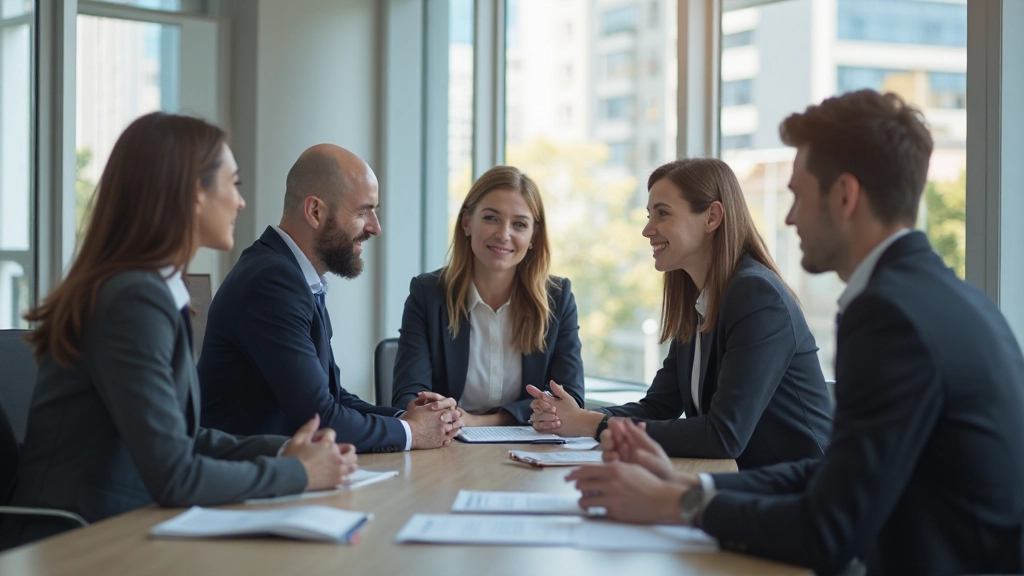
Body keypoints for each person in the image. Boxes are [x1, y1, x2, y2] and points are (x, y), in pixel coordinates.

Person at [567, 90, 1024, 575]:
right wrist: (688, 489)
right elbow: (831, 475)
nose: (788, 217)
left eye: (799, 195)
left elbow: (827, 529)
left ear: (845, 195)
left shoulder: (890, 316)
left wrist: (674, 506)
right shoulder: (942, 297)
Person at [0, 113, 357, 549]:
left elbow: (183, 438)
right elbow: (175, 475)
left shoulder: (151, 290)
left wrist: (285, 451)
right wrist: (299, 473)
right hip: (76, 541)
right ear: (193, 194)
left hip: (124, 528)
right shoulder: (132, 298)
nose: (241, 203)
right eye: (234, 183)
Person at [529, 158, 832, 469]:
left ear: (712, 217)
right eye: (649, 215)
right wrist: (572, 417)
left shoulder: (757, 296)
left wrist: (592, 424)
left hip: (798, 495)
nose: (648, 230)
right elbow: (659, 406)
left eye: (663, 213)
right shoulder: (700, 301)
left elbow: (724, 435)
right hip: (743, 484)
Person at [198, 144, 462, 453]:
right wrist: (412, 432)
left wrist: (412, 419)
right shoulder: (272, 281)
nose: (375, 228)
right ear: (315, 212)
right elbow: (321, 417)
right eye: (363, 212)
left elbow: (334, 397)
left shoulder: (292, 274)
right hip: (248, 484)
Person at [391, 166, 584, 426]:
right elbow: (409, 396)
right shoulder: (428, 294)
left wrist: (482, 421)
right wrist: (447, 416)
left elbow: (569, 399)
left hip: (529, 448)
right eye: (491, 218)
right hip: (447, 446)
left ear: (533, 236)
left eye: (519, 224)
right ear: (467, 222)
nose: (504, 234)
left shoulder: (557, 299)